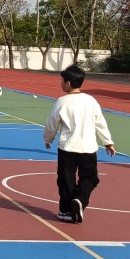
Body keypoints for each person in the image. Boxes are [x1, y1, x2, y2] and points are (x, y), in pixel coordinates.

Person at [43, 65, 116, 223]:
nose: (61, 83)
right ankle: (80, 200)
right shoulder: (91, 101)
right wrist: (108, 142)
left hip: (67, 148)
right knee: (90, 178)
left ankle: (66, 211)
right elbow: (100, 122)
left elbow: (52, 123)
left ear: (68, 83)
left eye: (62, 81)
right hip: (88, 148)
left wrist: (48, 138)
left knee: (66, 180)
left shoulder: (62, 102)